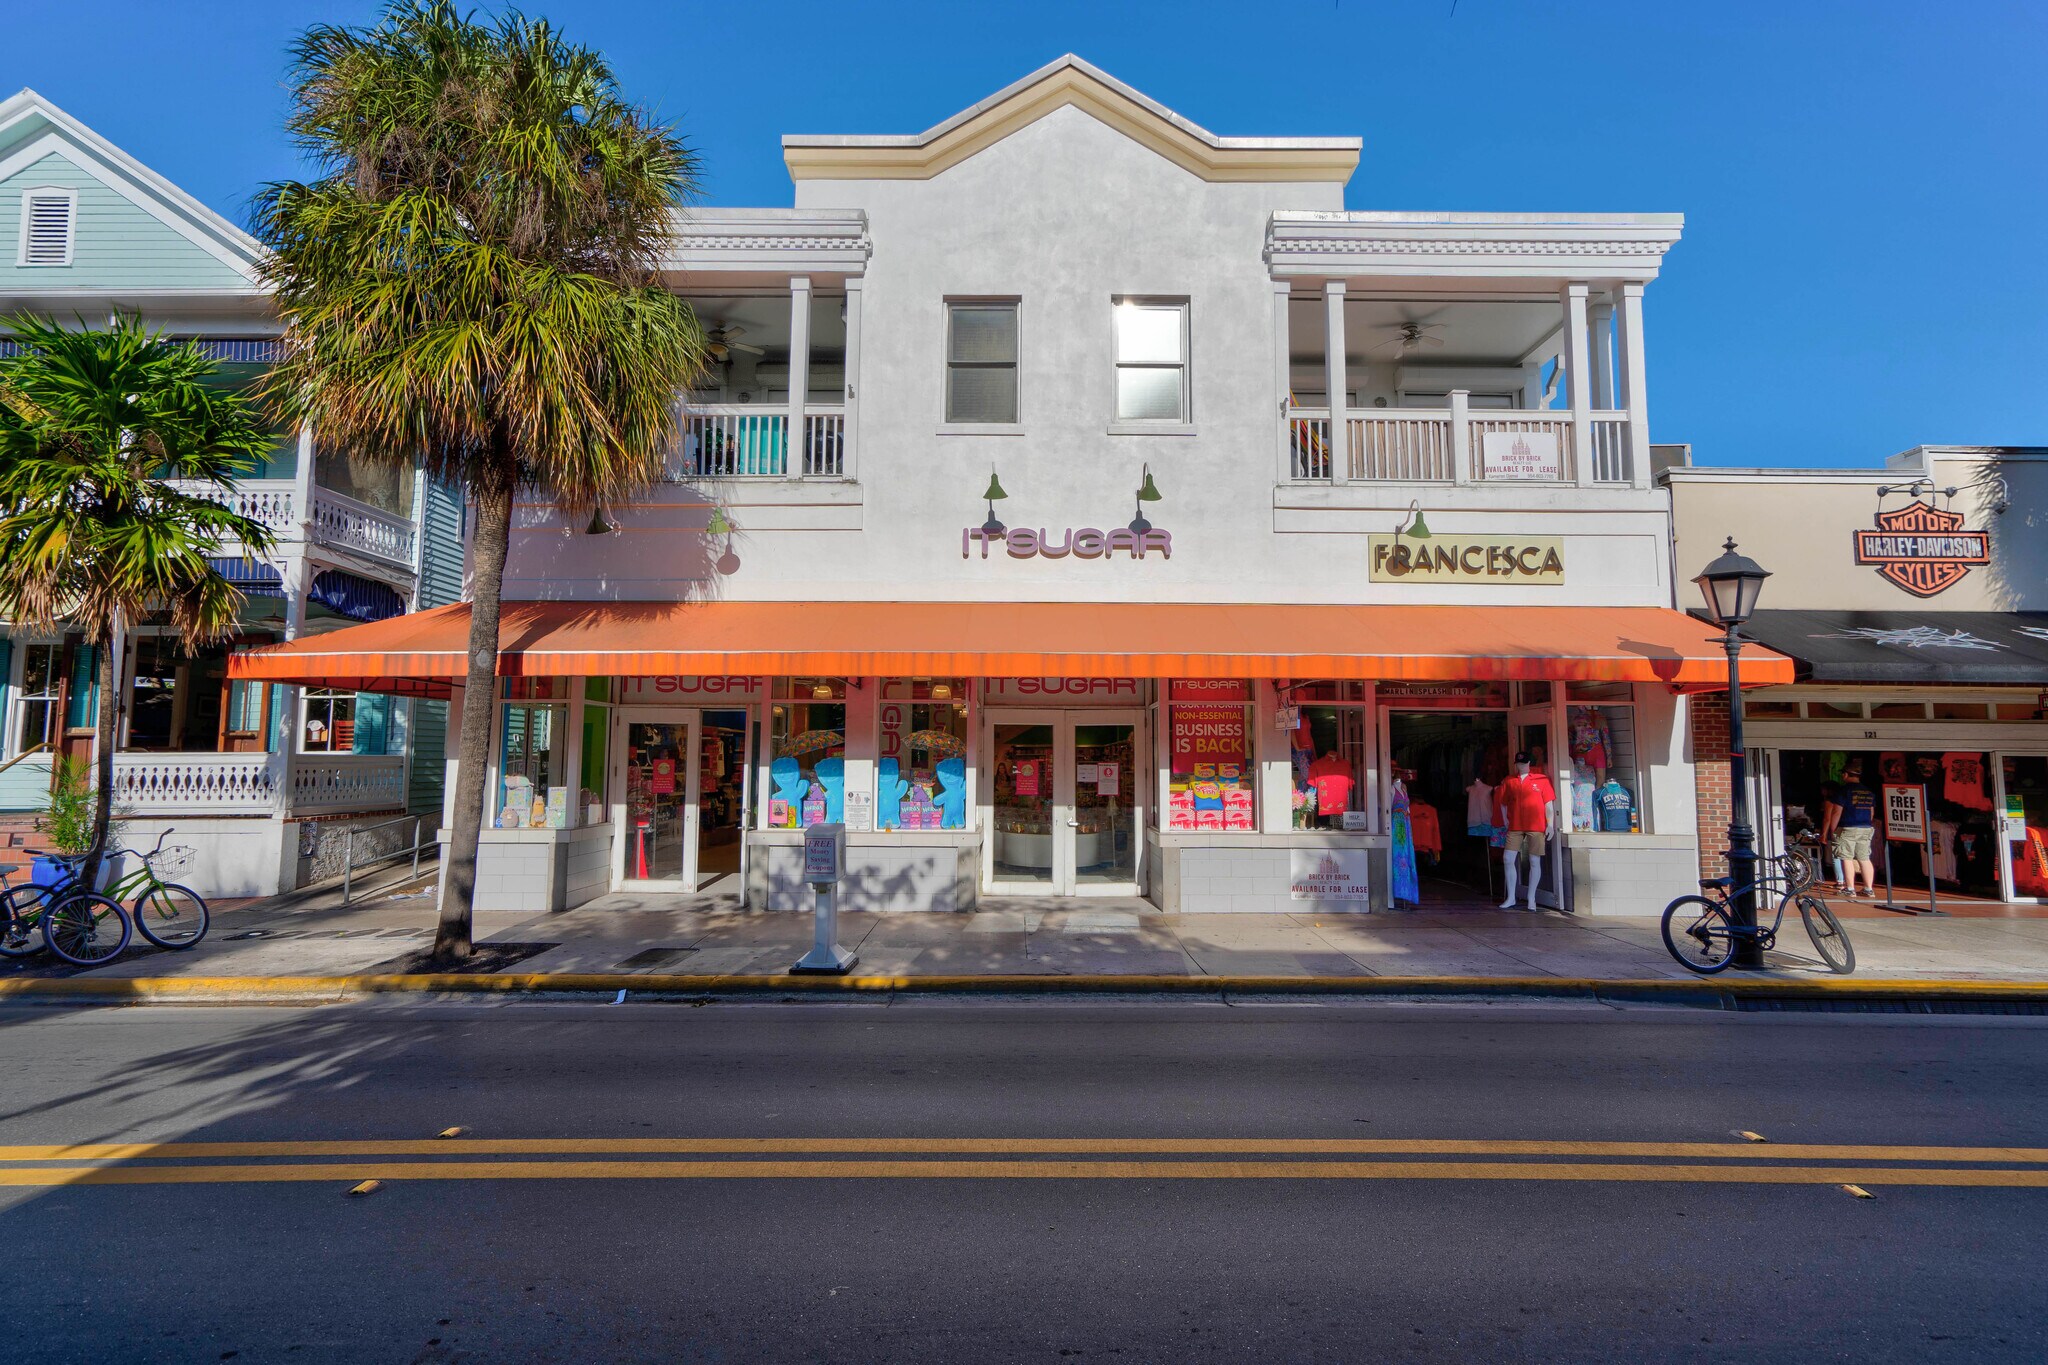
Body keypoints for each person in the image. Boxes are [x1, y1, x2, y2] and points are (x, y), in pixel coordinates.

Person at [1492, 751, 1556, 910]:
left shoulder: (1541, 780)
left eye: (1523, 763)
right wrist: (1505, 819)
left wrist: (1550, 824)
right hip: (1515, 825)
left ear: (1529, 763)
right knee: (1508, 858)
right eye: (1518, 763)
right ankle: (1511, 897)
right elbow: (1503, 802)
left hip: (1536, 825)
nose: (1520, 766)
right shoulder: (1510, 780)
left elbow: (1548, 804)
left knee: (1534, 861)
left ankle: (1531, 898)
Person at [1824, 762, 1879, 898]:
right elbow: (1871, 813)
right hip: (1866, 827)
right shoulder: (1868, 791)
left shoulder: (1843, 791)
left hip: (1847, 828)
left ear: (1846, 774)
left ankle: (1850, 888)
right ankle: (1868, 889)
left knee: (1846, 858)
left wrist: (1833, 829)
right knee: (1864, 858)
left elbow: (1836, 812)